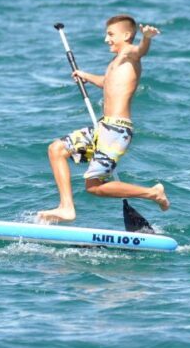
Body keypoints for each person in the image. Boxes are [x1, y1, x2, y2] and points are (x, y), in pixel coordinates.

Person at [37, 15, 170, 223]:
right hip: (103, 128)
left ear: (126, 35)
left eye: (111, 34)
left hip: (117, 130)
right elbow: (107, 83)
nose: (106, 39)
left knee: (94, 186)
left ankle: (153, 193)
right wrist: (85, 76)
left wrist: (146, 39)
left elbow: (139, 51)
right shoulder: (116, 62)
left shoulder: (129, 53)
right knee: (56, 149)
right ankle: (66, 207)